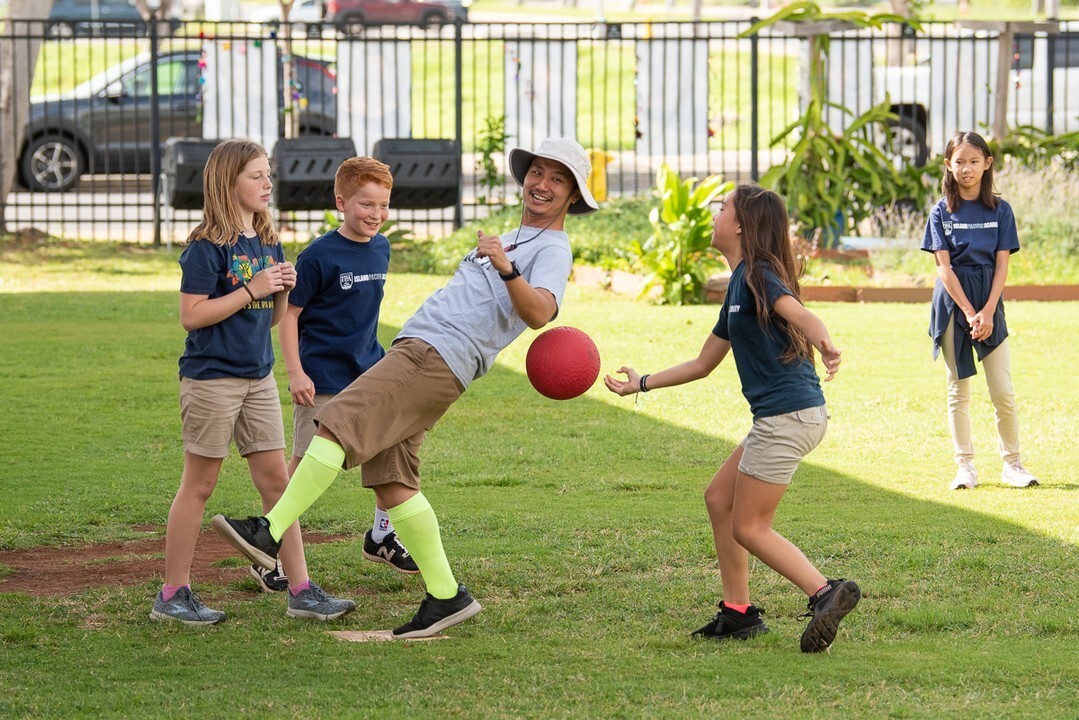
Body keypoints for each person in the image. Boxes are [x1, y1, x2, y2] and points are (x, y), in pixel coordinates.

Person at [212, 137, 599, 638]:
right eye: (538, 172)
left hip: (436, 356)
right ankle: (445, 595)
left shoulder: (551, 248)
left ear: (573, 195)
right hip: (421, 350)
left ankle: (269, 531)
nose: (542, 184)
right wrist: (502, 258)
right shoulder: (516, 235)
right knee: (393, 482)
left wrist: (506, 266)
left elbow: (541, 311)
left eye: (557, 179)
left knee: (339, 423)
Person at [605, 184, 859, 653]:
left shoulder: (760, 274)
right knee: (719, 498)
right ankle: (738, 613)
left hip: (788, 418)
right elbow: (703, 363)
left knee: (750, 526)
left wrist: (824, 342)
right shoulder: (740, 284)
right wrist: (640, 383)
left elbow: (799, 312)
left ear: (740, 225)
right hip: (785, 417)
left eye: (722, 209)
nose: (715, 215)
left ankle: (825, 592)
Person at [151, 138, 355, 626]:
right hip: (211, 380)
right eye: (256, 175)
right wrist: (252, 288)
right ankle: (172, 594)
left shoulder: (265, 239)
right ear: (229, 182)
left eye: (268, 174)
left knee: (279, 486)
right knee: (199, 485)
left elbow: (266, 319)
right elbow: (191, 316)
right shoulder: (205, 247)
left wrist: (280, 289)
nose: (268, 183)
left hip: (257, 377)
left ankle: (301, 589)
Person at [251, 156, 418, 594]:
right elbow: (290, 317)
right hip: (321, 379)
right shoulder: (319, 256)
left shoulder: (381, 248)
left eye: (383, 206)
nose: (375, 215)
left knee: (392, 449)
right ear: (341, 202)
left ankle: (382, 533)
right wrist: (297, 372)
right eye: (366, 204)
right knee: (306, 466)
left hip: (369, 374)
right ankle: (270, 554)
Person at [921, 131, 1038, 491]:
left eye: (974, 161)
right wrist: (970, 312)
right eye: (959, 162)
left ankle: (1013, 465)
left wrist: (987, 312)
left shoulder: (1001, 211)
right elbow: (944, 269)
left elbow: (1002, 267)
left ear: (987, 164)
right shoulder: (941, 211)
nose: (967, 169)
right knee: (959, 390)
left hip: (990, 306)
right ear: (948, 165)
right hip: (954, 306)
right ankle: (965, 468)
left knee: (1002, 390)